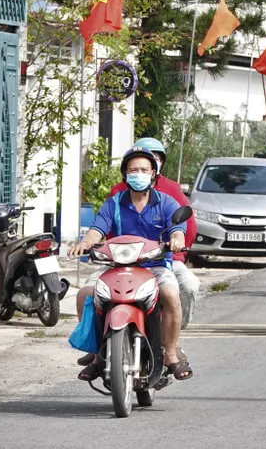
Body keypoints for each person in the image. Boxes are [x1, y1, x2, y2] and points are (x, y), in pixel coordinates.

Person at [75, 137, 200, 370]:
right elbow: (97, 229)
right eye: (133, 170)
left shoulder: (168, 202)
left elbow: (178, 230)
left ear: (154, 173)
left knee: (171, 294)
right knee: (85, 295)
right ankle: (95, 353)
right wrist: (84, 242)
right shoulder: (114, 203)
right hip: (117, 267)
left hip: (155, 266)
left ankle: (171, 354)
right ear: (125, 174)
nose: (138, 174)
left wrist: (175, 239)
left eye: (144, 169)